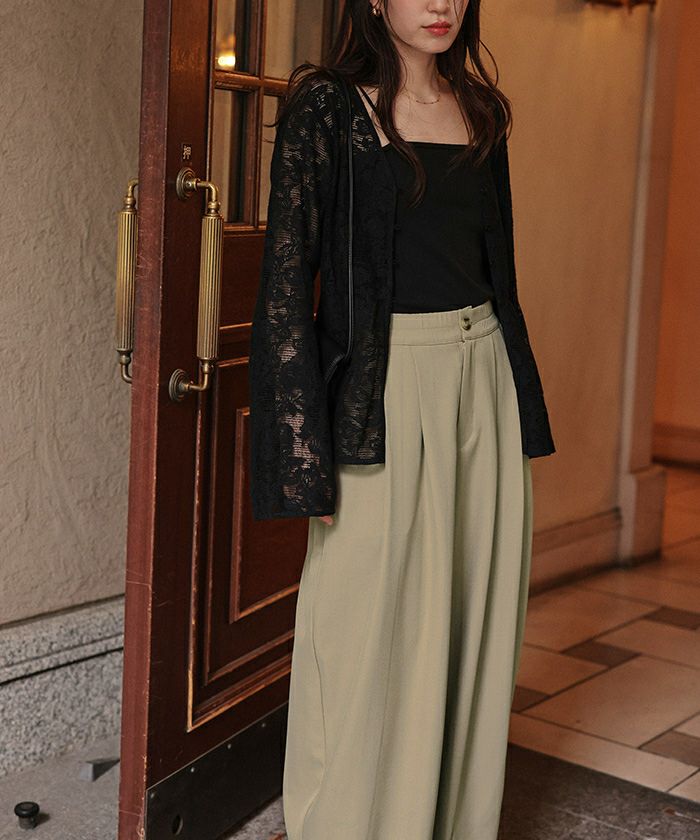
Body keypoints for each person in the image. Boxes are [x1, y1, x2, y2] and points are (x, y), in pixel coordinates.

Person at [248, 1, 556, 838]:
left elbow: (500, 274)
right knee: (361, 634)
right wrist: (302, 456)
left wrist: (517, 403)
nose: (441, 3)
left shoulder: (481, 111)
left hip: (482, 380)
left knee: (472, 622)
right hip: (381, 393)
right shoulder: (327, 108)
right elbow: (286, 285)